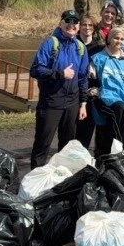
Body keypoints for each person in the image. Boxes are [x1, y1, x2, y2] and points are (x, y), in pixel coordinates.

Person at [29, 9, 89, 168]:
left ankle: (62, 181)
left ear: (78, 26)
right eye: (68, 21)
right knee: (43, 145)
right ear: (61, 23)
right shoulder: (50, 43)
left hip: (72, 103)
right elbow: (35, 70)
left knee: (67, 147)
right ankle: (35, 181)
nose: (71, 25)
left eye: (75, 22)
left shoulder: (81, 48)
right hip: (51, 102)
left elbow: (83, 78)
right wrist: (60, 74)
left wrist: (83, 103)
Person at [91, 26, 124, 156]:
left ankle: (120, 157)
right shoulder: (98, 59)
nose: (119, 41)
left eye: (122, 39)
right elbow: (92, 81)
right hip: (105, 98)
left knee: (120, 120)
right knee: (108, 128)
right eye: (116, 38)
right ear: (109, 39)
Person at [75, 13, 105, 152]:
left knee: (86, 129)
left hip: (91, 93)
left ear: (94, 28)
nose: (87, 27)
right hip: (73, 91)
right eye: (84, 24)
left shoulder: (99, 48)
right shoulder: (72, 43)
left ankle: (84, 158)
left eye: (90, 25)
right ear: (79, 27)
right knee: (70, 130)